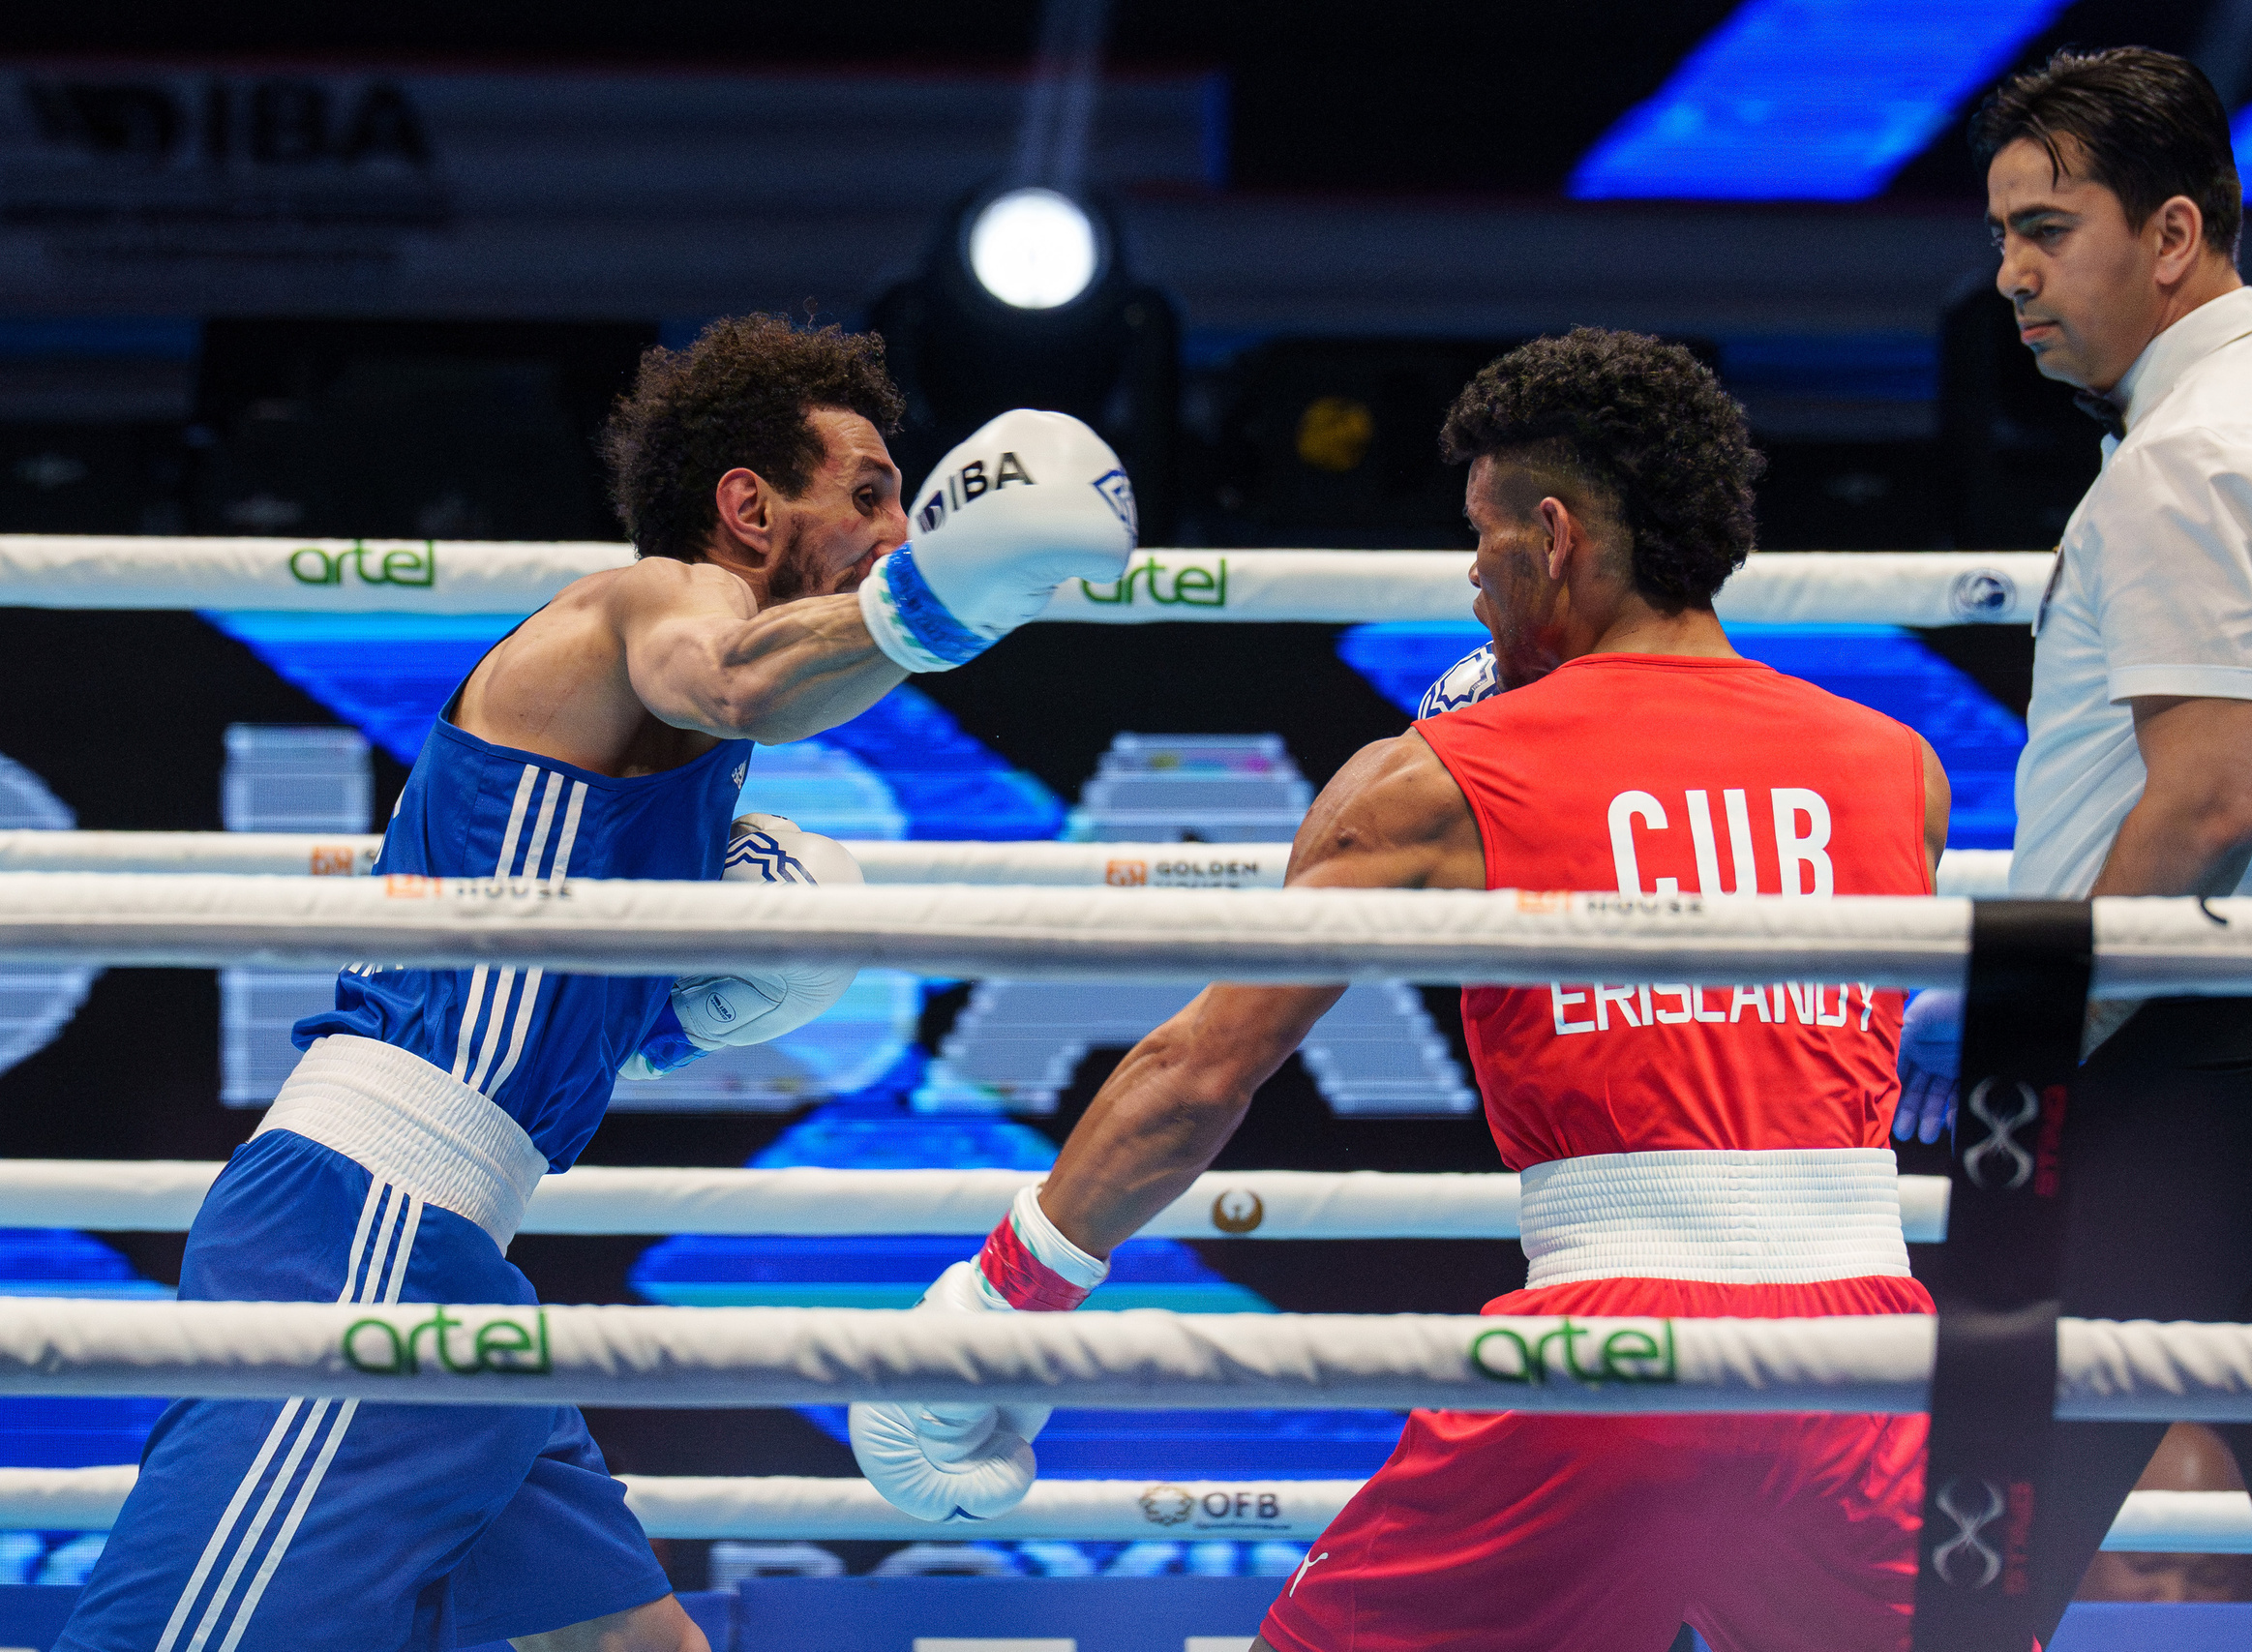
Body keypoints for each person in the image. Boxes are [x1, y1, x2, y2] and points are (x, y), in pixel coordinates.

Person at [852, 327, 1956, 1652]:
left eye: (1483, 539)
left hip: (1617, 1359)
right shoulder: (1900, 769)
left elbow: (1199, 1075)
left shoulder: (1438, 776)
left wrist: (1000, 1302)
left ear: (1554, 536)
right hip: (1873, 1367)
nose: (1472, 578)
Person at [58, 315, 1136, 1652]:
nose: (895, 529)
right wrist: (938, 599)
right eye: (866, 494)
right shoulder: (658, 604)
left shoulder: (664, 792)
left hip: (452, 1245)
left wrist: (669, 1011)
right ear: (748, 508)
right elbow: (735, 682)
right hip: (363, 1230)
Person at [1893, 48, 2252, 1648]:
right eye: (2002, 235)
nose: (2011, 275)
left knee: (1977, 1552)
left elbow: (2210, 802)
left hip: (2190, 1067)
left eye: (2047, 229)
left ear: (2170, 235)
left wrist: (2033, 1024)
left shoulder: (2192, 457)